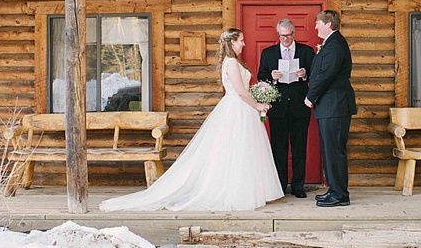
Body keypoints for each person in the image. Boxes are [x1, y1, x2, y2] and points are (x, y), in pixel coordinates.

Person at [99, 28, 284, 211]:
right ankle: (235, 192)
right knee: (236, 150)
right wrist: (258, 105)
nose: (243, 43)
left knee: (242, 150)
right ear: (232, 42)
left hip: (241, 108)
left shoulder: (231, 62)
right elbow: (241, 92)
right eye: (241, 40)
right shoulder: (232, 64)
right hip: (237, 109)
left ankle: (248, 190)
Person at [257, 19, 315, 198]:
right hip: (279, 108)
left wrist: (306, 74)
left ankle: (298, 186)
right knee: (278, 148)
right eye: (282, 36)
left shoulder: (307, 51)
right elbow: (261, 75)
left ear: (293, 34)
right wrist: (272, 77)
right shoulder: (269, 53)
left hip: (299, 106)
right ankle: (280, 186)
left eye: (288, 35)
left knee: (299, 148)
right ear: (278, 35)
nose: (286, 39)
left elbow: (317, 73)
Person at [305, 10, 357, 207]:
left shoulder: (335, 45)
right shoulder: (331, 43)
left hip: (334, 106)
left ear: (328, 24)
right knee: (330, 150)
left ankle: (339, 194)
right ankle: (335, 190)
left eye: (318, 23)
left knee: (334, 150)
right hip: (329, 106)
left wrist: (310, 97)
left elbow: (327, 75)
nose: (316, 26)